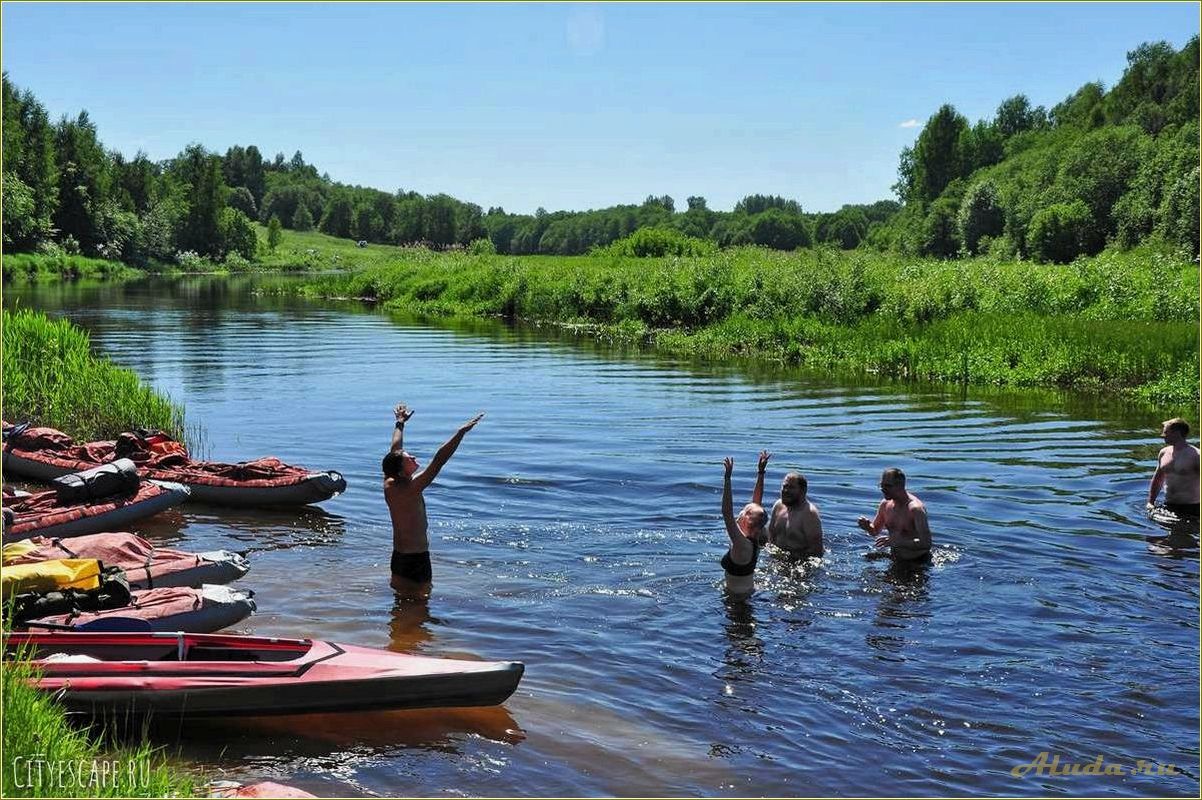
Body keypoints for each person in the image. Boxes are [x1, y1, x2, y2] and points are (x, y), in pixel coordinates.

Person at [384, 403, 484, 598]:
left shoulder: (389, 481)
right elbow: (439, 460)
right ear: (401, 469)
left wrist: (399, 423)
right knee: (421, 603)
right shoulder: (411, 488)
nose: (412, 457)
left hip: (398, 556)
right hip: (416, 558)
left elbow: (395, 448)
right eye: (408, 458)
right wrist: (460, 433)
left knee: (400, 602)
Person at [720, 454, 770, 594]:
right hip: (748, 592)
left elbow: (727, 513)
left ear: (748, 522)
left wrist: (727, 479)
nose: (742, 510)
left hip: (738, 601)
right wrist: (761, 473)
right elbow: (757, 503)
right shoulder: (755, 538)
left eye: (746, 511)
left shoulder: (741, 543)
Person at [857, 468, 932, 562]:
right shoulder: (885, 504)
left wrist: (895, 542)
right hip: (895, 558)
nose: (883, 489)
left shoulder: (915, 509)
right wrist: (867, 527)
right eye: (881, 485)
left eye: (887, 486)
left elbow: (926, 543)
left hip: (918, 561)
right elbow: (875, 531)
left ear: (900, 486)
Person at [766, 461, 824, 559]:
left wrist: (791, 559)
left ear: (803, 491)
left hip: (798, 563)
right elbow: (771, 536)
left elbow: (816, 551)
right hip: (776, 560)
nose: (786, 491)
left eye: (791, 487)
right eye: (784, 486)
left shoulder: (809, 514)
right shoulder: (778, 506)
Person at [1147, 418, 1200, 519]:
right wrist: (1151, 502)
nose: (1162, 435)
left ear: (1177, 433)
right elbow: (1157, 480)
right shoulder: (1163, 453)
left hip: (1192, 508)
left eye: (1166, 432)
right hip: (1168, 506)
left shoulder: (1196, 456)